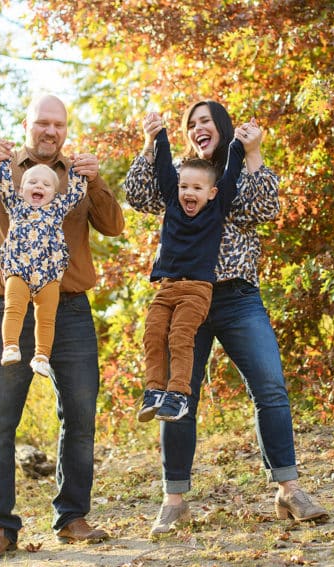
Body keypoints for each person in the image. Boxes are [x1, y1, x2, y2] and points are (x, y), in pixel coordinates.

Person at [124, 100, 329, 537]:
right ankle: (174, 500)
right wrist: (148, 143)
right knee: (180, 396)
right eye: (191, 123)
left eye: (207, 121)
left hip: (237, 296)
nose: (200, 127)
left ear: (223, 128)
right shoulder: (182, 176)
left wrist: (253, 153)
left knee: (270, 386)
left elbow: (264, 210)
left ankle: (289, 489)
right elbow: (138, 196)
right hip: (182, 296)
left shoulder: (232, 175)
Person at [0, 94, 124, 560]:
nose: (50, 131)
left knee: (79, 418)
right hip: (11, 308)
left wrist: (97, 180)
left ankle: (72, 517)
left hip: (71, 309)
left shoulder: (78, 175)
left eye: (58, 124)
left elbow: (114, 225)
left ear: (65, 129)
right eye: (42, 123)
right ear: (27, 126)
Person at [138, 114, 246, 423]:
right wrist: (158, 134)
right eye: (184, 186)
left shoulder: (217, 207)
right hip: (167, 286)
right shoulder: (173, 200)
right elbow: (162, 168)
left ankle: (179, 395)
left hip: (197, 289)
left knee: (180, 336)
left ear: (211, 193)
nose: (188, 192)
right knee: (153, 332)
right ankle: (155, 390)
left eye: (197, 188)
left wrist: (239, 142)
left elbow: (232, 170)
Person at [0, 161, 86, 376]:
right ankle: (10, 347)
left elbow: (76, 193)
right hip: (18, 268)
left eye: (46, 185)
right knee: (13, 307)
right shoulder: (15, 205)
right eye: (32, 182)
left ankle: (42, 356)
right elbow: (2, 184)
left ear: (54, 193)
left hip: (49, 272)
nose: (39, 186)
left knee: (46, 317)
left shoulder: (57, 208)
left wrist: (77, 169)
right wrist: (2, 161)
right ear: (21, 189)